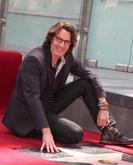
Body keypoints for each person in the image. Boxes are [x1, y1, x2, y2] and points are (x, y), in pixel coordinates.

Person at [2, 21, 133, 153]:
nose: (62, 45)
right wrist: (46, 132)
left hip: (48, 105)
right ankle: (39, 128)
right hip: (27, 116)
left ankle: (109, 131)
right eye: (59, 40)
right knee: (76, 134)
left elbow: (91, 76)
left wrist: (103, 106)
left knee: (85, 83)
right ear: (51, 38)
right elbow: (32, 99)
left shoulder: (67, 58)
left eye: (66, 42)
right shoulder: (34, 59)